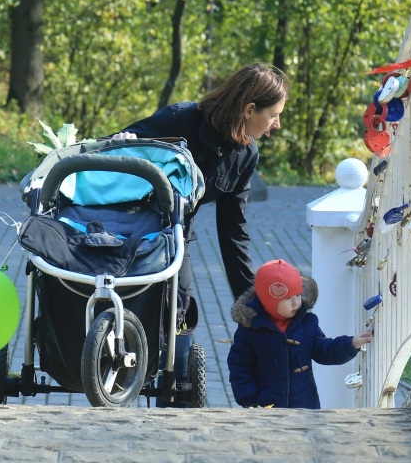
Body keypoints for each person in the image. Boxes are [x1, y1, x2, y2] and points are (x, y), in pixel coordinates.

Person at [112, 62, 289, 301]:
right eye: (274, 115)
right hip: (126, 231)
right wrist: (122, 141)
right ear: (249, 110)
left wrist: (250, 303)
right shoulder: (179, 119)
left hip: (176, 237)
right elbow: (110, 150)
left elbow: (233, 231)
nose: (277, 124)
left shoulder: (246, 155)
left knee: (182, 314)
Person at [227, 258, 372, 409]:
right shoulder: (250, 329)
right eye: (288, 298)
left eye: (298, 295)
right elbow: (239, 368)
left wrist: (350, 344)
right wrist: (251, 400)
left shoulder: (307, 323)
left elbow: (323, 349)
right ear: (269, 300)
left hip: (305, 406)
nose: (296, 302)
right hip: (265, 408)